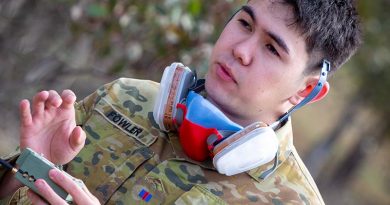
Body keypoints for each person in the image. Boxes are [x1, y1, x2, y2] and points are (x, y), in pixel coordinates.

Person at [0, 0, 361, 204]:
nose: (241, 50)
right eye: (246, 24)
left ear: (304, 91)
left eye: (271, 48)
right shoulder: (123, 97)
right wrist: (28, 170)